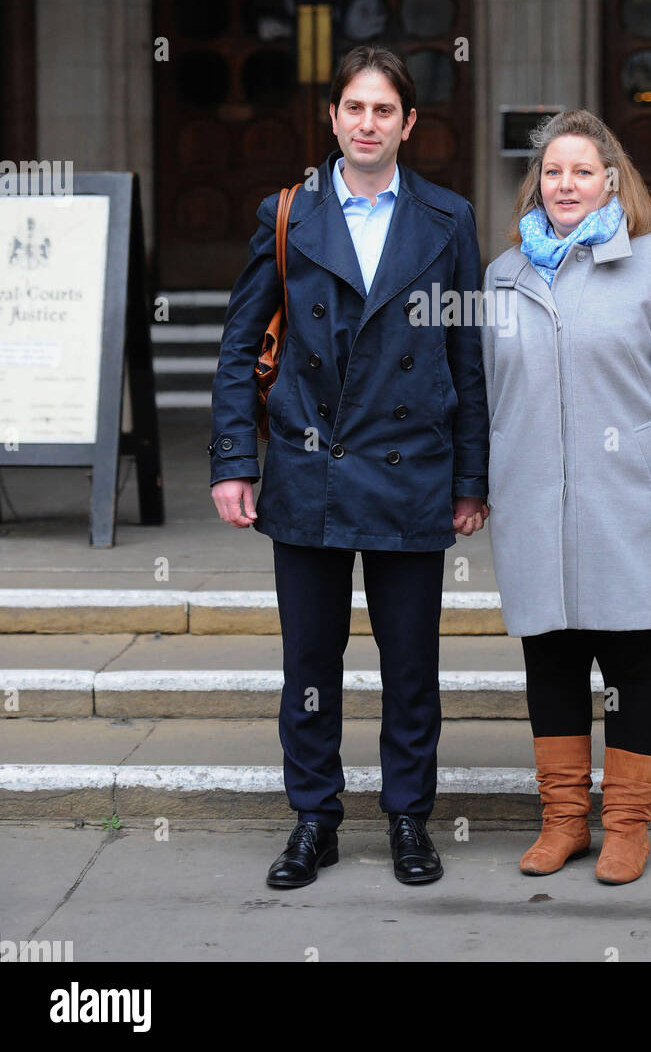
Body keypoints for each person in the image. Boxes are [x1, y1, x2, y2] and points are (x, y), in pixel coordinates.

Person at [209, 45, 489, 888]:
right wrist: (233, 459)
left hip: (412, 473)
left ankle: (408, 818)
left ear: (409, 124)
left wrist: (470, 479)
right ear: (332, 119)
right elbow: (237, 347)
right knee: (310, 664)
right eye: (353, 109)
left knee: (411, 663)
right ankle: (314, 820)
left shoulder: (448, 219)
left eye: (384, 111)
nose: (367, 124)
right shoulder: (287, 213)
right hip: (309, 469)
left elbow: (465, 355)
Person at [480, 109, 651, 885]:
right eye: (552, 171)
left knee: (633, 664)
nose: (565, 184)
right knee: (548, 664)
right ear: (535, 183)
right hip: (534, 508)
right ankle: (563, 823)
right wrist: (473, 488)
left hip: (633, 509)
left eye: (582, 171)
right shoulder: (503, 275)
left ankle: (624, 825)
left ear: (610, 182)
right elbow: (485, 397)